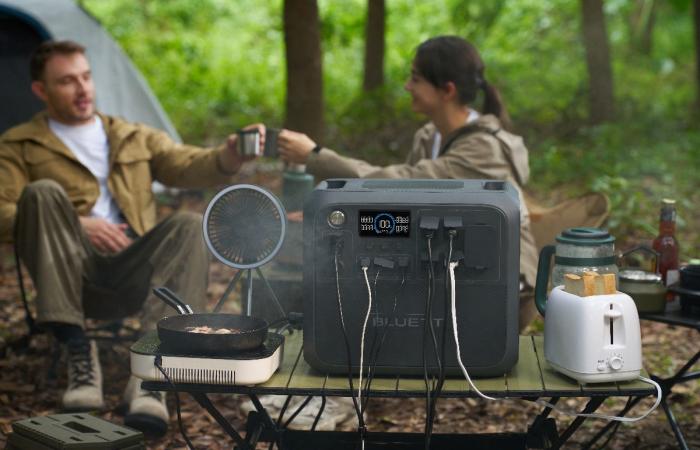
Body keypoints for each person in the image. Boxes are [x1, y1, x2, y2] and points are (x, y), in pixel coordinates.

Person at [0, 40, 263, 435]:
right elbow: (3, 212)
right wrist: (77, 222)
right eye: (67, 81)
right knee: (41, 193)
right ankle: (77, 353)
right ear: (41, 90)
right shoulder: (19, 144)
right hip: (70, 274)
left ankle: (152, 374)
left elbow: (187, 164)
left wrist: (229, 156)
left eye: (86, 77)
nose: (82, 89)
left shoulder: (130, 136)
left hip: (135, 270)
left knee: (187, 223)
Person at [277, 35, 539, 330]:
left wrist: (315, 156)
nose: (407, 86)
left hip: (502, 287)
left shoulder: (483, 149)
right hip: (449, 270)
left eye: (415, 79)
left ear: (447, 90)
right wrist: (336, 219)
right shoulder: (428, 137)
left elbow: (400, 183)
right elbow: (402, 209)